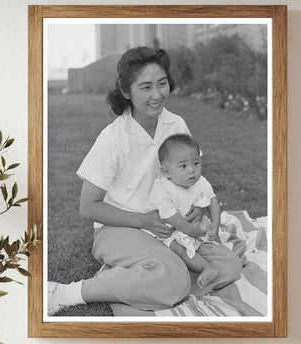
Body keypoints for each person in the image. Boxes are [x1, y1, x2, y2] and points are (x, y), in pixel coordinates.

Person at [48, 46, 242, 316]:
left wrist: (197, 206)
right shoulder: (113, 137)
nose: (157, 95)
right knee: (174, 279)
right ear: (126, 91)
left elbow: (192, 173)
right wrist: (142, 221)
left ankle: (148, 279)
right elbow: (88, 206)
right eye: (146, 87)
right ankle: (65, 293)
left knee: (229, 265)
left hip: (170, 228)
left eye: (162, 84)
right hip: (119, 228)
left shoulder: (176, 124)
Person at [146, 133, 224, 290]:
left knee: (213, 236)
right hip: (166, 229)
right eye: (183, 166)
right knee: (178, 248)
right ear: (166, 172)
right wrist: (191, 231)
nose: (192, 171)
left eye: (196, 163)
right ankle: (207, 267)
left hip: (189, 226)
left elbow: (212, 200)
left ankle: (220, 251)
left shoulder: (200, 182)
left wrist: (215, 223)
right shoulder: (163, 189)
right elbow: (170, 216)